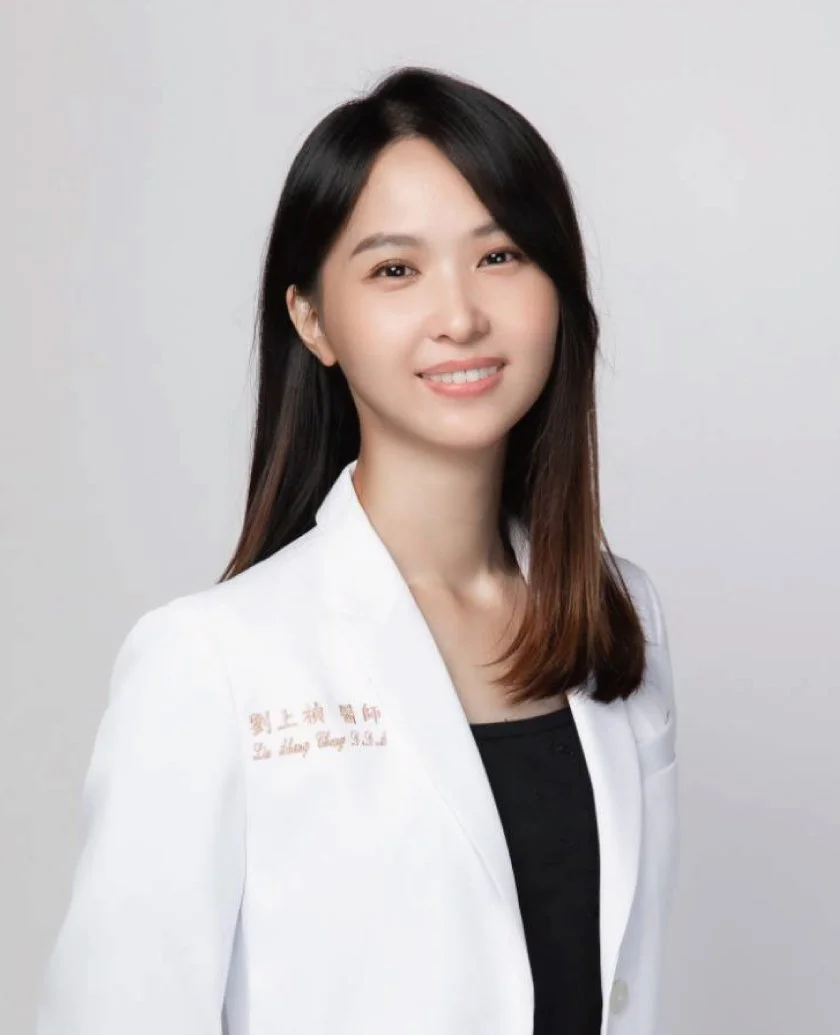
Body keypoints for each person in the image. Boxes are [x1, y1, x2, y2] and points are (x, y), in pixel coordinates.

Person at [36, 65, 678, 1035]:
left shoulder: (622, 615)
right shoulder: (208, 662)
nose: (460, 315)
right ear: (312, 319)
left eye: (501, 256)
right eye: (395, 270)